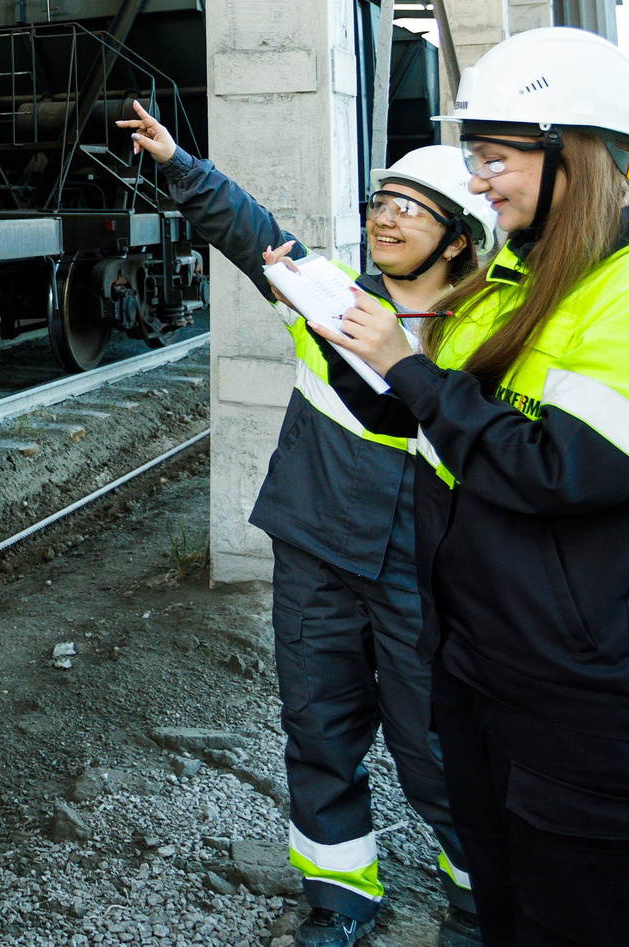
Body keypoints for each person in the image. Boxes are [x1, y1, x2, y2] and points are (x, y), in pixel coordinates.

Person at [309, 28, 629, 947]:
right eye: (476, 157)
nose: (481, 180)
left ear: (578, 156)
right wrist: (338, 338)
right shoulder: (512, 285)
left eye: (496, 157)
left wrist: (408, 371)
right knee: (507, 914)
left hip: (591, 702)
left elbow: (556, 469)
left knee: (587, 925)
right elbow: (424, 425)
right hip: (485, 672)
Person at [120, 101, 490, 947]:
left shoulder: (482, 336)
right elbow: (247, 230)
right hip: (319, 551)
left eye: (412, 207)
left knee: (437, 742)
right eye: (382, 200)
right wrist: (179, 162)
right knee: (319, 727)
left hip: (423, 570)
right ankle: (339, 900)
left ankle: (477, 896)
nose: (387, 215)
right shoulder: (327, 296)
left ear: (460, 237)